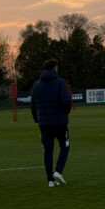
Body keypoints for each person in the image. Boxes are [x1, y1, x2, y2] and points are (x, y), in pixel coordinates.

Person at [30, 59, 73, 187]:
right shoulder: (60, 82)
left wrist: (37, 119)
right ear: (54, 68)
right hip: (59, 122)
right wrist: (66, 113)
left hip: (44, 123)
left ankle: (50, 180)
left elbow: (33, 106)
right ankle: (58, 171)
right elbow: (66, 100)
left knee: (48, 151)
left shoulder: (37, 85)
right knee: (65, 145)